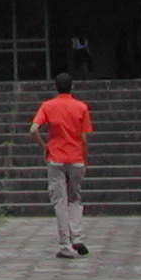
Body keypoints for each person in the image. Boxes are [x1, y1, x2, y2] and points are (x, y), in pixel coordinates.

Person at [30, 73, 92, 259]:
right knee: (75, 198)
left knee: (59, 201)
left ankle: (65, 243)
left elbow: (33, 129)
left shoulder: (48, 106)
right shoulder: (81, 107)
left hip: (56, 157)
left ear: (55, 87)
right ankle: (78, 237)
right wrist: (85, 158)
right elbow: (84, 138)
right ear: (71, 87)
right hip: (76, 157)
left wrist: (45, 146)